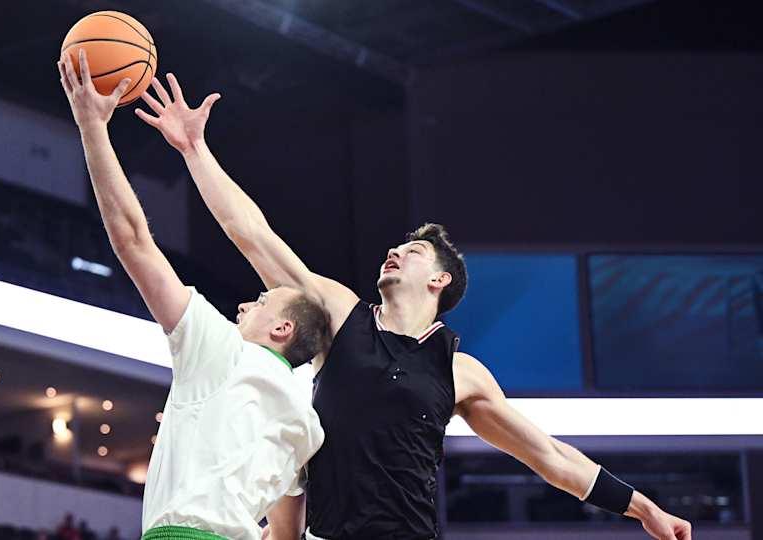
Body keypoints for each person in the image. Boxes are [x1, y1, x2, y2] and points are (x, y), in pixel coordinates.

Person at [134, 72, 694, 540]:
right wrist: (194, 148)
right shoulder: (340, 317)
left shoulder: (460, 372)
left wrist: (644, 507)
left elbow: (550, 457)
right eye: (397, 246)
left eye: (415, 250)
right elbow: (250, 232)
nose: (395, 252)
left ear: (440, 280)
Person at [58, 50, 328, 540]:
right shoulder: (306, 421)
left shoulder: (223, 349)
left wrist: (92, 125)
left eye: (260, 303)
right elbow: (286, 534)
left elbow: (133, 240)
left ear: (282, 329)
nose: (244, 306)